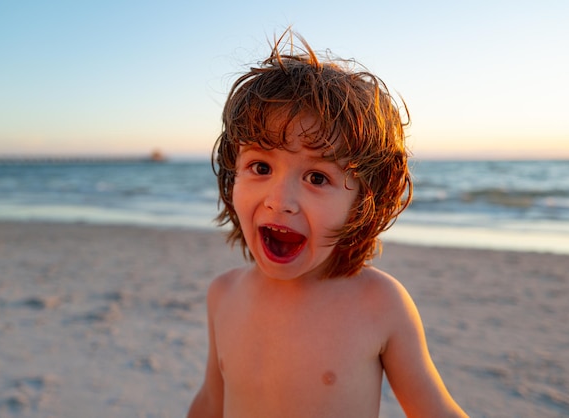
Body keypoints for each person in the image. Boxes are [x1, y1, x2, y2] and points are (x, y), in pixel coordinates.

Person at [187, 30, 467, 418]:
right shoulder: (223, 295)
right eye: (260, 167)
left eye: (317, 178)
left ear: (363, 203)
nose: (279, 201)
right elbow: (211, 402)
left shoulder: (379, 304)